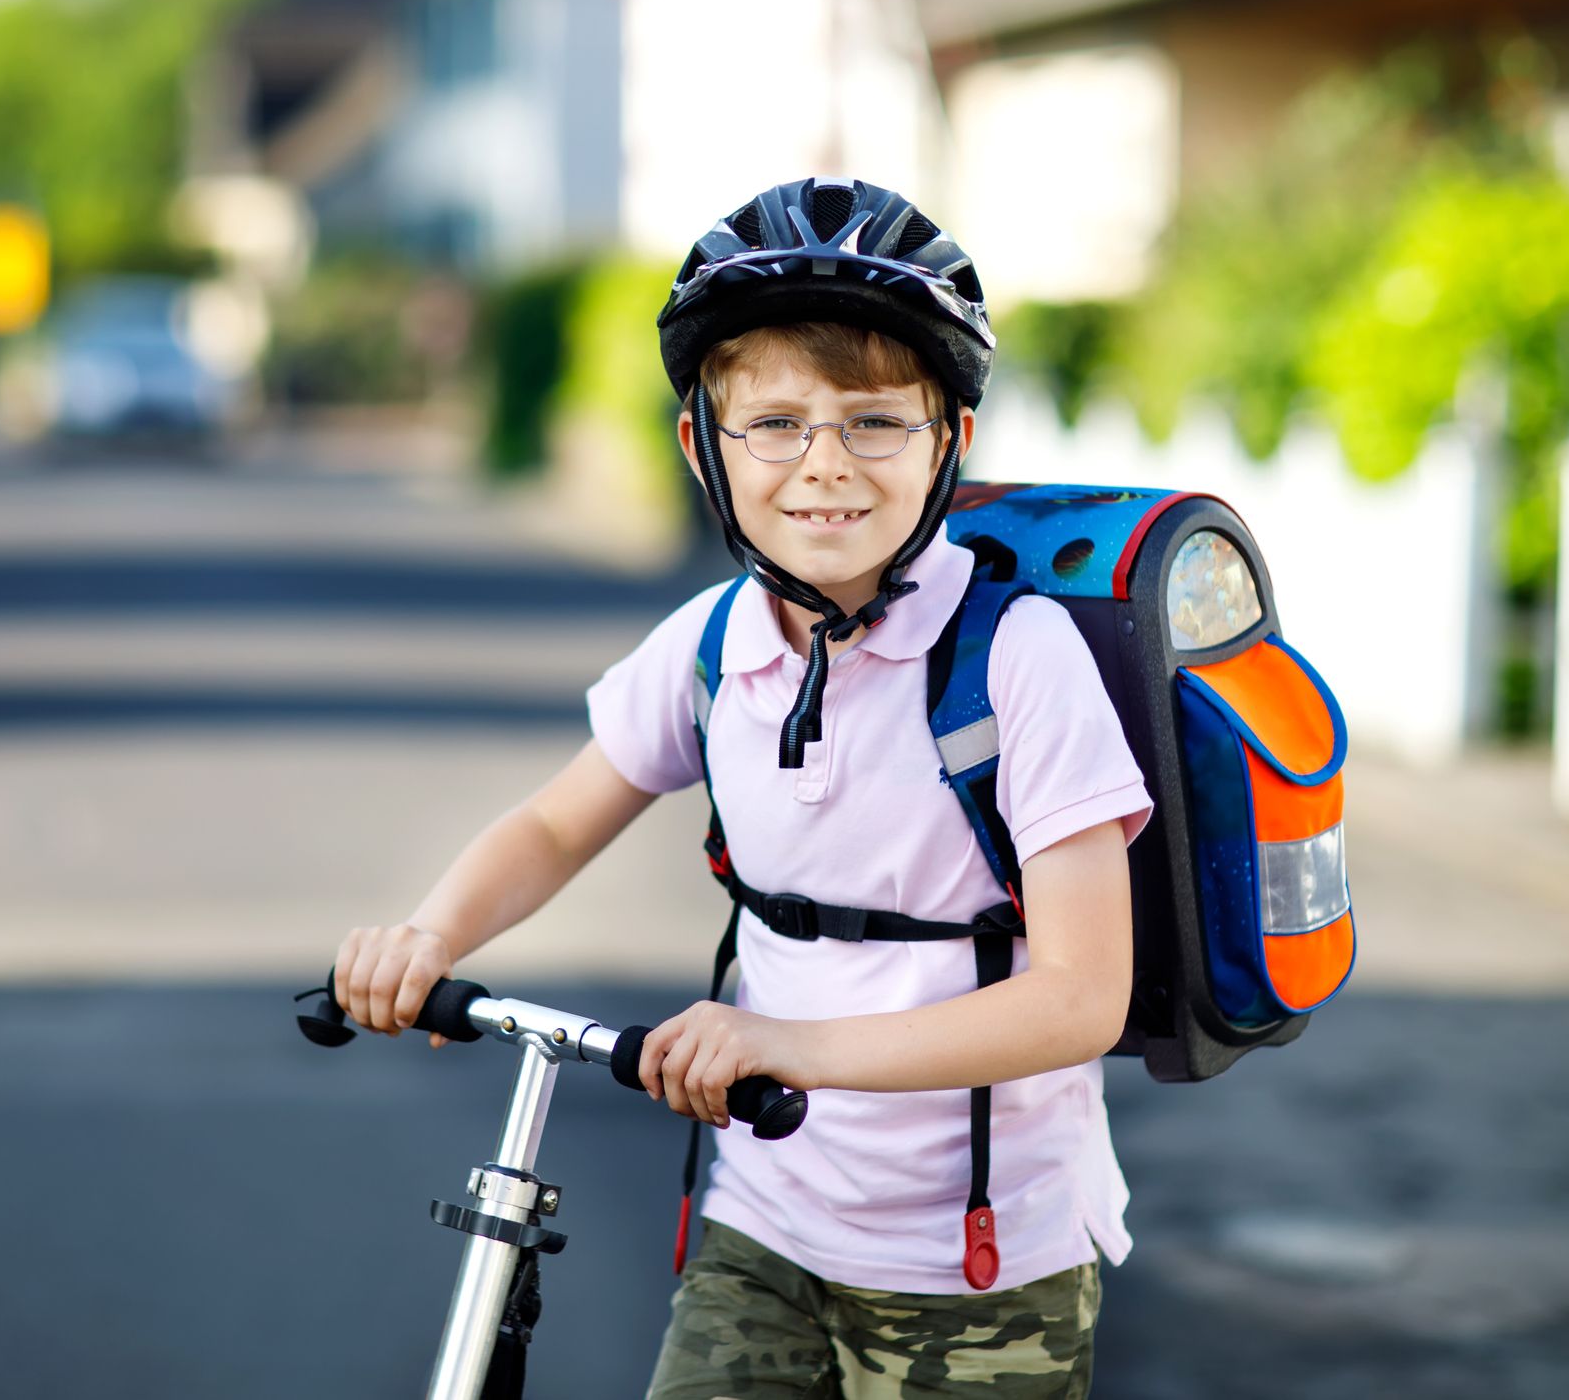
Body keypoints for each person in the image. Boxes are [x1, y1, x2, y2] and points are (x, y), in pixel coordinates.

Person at [332, 178, 1152, 1398]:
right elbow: (559, 818)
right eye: (773, 423)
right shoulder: (714, 643)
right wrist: (427, 935)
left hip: (978, 1267)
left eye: (874, 421)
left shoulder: (1020, 659)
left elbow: (1083, 998)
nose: (824, 464)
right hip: (762, 1224)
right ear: (702, 446)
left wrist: (792, 1044)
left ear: (951, 441)